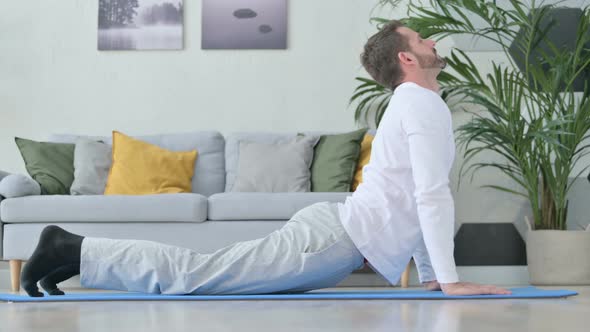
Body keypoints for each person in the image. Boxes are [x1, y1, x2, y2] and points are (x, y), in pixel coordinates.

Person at [21, 20, 511, 297]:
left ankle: (74, 253)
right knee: (195, 277)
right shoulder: (419, 104)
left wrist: (431, 279)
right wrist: (448, 281)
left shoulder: (420, 105)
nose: (432, 44)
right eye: (422, 41)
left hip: (332, 238)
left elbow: (416, 198)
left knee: (200, 271)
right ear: (407, 58)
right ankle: (70, 248)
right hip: (328, 242)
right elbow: (427, 196)